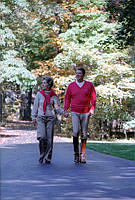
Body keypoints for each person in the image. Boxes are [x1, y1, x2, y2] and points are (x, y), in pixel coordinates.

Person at [32, 76, 68, 164]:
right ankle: (42, 155)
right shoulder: (39, 94)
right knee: (42, 137)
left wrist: (64, 113)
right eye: (42, 83)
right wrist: (33, 117)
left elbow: (57, 108)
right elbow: (35, 106)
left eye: (44, 83)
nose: (42, 84)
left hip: (50, 118)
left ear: (49, 84)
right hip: (41, 118)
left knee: (49, 139)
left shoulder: (53, 96)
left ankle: (48, 157)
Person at [64, 65, 96, 163]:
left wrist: (92, 109)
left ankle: (82, 155)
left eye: (80, 73)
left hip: (85, 112)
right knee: (75, 132)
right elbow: (67, 98)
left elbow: (93, 98)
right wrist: (66, 109)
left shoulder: (89, 85)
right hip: (74, 111)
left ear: (83, 75)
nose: (78, 75)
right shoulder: (71, 85)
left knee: (84, 134)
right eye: (76, 73)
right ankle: (76, 154)